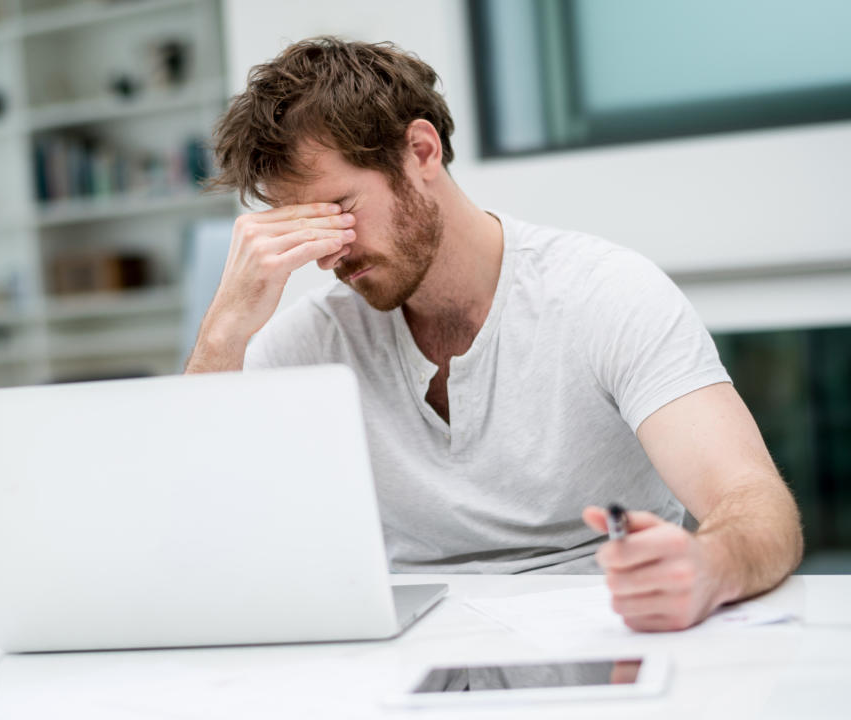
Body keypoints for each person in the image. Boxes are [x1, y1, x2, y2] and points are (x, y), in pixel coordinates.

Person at [185, 37, 803, 631]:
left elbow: (754, 503)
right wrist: (223, 330)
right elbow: (194, 527)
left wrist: (707, 567)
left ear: (421, 152)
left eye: (341, 208)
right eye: (303, 226)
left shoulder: (604, 292)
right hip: (407, 648)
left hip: (606, 623)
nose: (328, 256)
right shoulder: (312, 342)